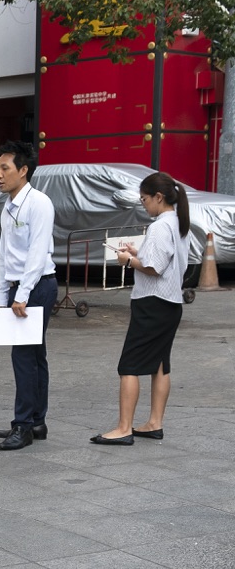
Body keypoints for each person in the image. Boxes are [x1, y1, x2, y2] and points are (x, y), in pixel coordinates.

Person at [90, 172, 190, 446]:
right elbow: (166, 261)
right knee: (160, 364)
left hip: (152, 302)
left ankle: (124, 428)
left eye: (145, 199)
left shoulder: (160, 226)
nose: (144, 205)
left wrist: (127, 260)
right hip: (171, 302)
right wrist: (139, 253)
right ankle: (154, 423)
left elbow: (153, 267)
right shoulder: (180, 224)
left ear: (159, 197)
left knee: (129, 364)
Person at [0, 140, 58, 450]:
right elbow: (6, 256)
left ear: (24, 170)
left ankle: (23, 425)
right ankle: (37, 421)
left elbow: (36, 252)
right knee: (34, 355)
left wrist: (23, 295)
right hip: (20, 288)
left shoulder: (38, 203)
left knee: (23, 356)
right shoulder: (9, 206)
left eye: (5, 168)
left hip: (38, 285)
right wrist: (2, 296)